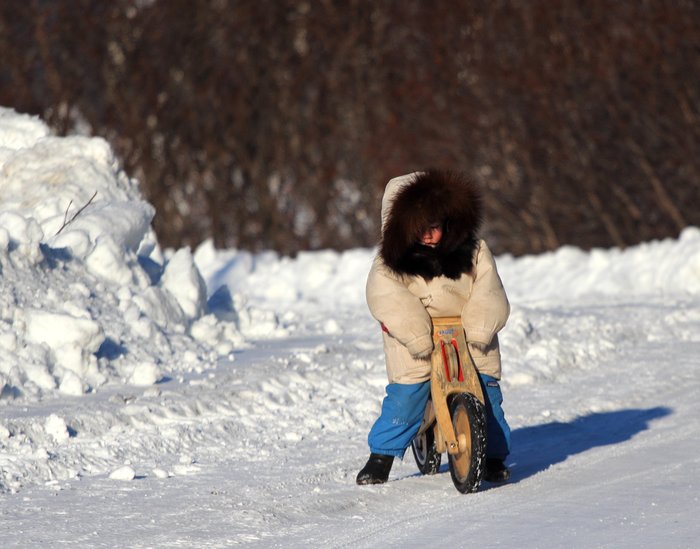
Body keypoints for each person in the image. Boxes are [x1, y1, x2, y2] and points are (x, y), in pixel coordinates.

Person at [356, 169, 512, 486]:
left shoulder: (474, 252)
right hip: (416, 343)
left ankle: (492, 456)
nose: (428, 235)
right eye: (418, 228)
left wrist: (480, 328)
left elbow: (489, 289)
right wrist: (416, 334)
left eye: (434, 227)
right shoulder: (390, 262)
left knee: (487, 398)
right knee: (407, 397)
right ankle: (382, 455)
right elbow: (387, 297)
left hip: (468, 337)